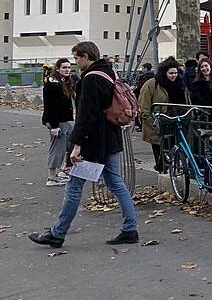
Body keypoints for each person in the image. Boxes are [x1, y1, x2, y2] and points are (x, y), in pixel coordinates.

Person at [29, 41, 139, 248]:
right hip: (111, 139)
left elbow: (86, 116)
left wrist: (76, 145)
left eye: (77, 58)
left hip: (92, 143)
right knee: (116, 183)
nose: (75, 62)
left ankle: (57, 233)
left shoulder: (90, 79)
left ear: (86, 56)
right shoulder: (110, 74)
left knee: (73, 187)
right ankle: (130, 228)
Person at [138, 57, 191, 172]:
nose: (174, 75)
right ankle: (163, 170)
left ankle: (169, 171)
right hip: (159, 122)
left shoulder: (181, 84)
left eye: (176, 73)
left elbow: (187, 101)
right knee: (160, 151)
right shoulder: (152, 84)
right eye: (171, 73)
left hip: (178, 120)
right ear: (164, 72)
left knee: (174, 149)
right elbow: (144, 104)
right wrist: (148, 119)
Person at [41, 58, 74, 187]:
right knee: (57, 149)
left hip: (64, 120)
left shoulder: (64, 82)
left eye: (69, 67)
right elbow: (50, 107)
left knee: (72, 144)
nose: (67, 70)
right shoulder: (52, 85)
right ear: (58, 69)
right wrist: (54, 126)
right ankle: (51, 177)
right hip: (57, 122)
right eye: (64, 67)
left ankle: (65, 169)